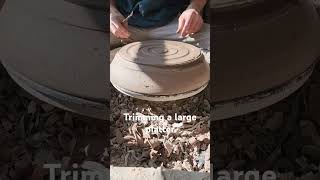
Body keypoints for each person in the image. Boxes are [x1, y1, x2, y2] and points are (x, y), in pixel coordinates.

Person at [110, 0, 210, 62]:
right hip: (124, 24)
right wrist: (112, 12)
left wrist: (194, 8)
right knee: (95, 43)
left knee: (221, 40)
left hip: (172, 25)